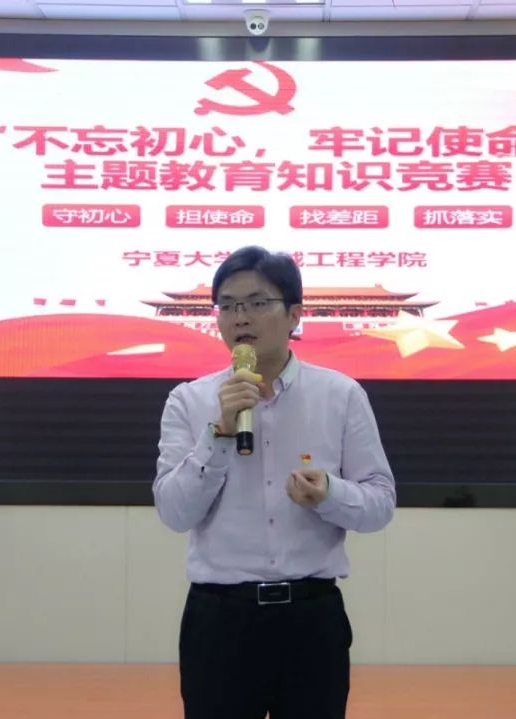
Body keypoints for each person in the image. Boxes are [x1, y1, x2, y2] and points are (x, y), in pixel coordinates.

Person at [154, 245, 396, 719]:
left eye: (257, 302)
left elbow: (380, 504)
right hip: (219, 622)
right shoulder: (190, 401)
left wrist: (330, 494)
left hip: (310, 619)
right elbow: (174, 513)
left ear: (295, 315)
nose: (240, 317)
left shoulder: (341, 395)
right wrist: (219, 432)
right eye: (227, 305)